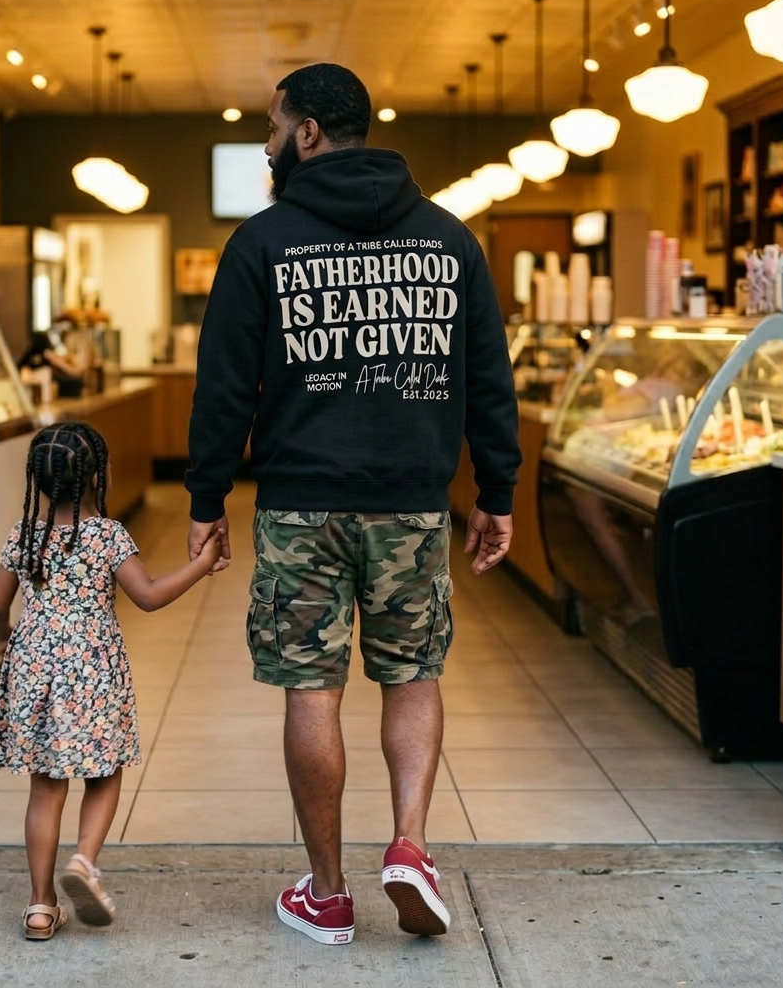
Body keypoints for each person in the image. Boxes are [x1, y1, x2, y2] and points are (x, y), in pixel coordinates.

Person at [185, 63, 521, 945]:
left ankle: (327, 893)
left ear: (306, 134)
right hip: (411, 502)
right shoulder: (449, 241)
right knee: (413, 676)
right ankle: (410, 846)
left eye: (271, 126)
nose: (266, 143)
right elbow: (489, 377)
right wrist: (496, 492)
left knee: (312, 688)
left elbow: (223, 387)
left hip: (300, 506)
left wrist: (206, 497)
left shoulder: (262, 243)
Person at [0, 422, 225, 940]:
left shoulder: (23, 533)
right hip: (92, 669)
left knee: (45, 788)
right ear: (100, 475)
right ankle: (84, 862)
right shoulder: (107, 535)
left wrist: (4, 638)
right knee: (105, 771)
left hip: (34, 663)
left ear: (37, 481)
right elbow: (150, 594)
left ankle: (40, 906)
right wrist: (203, 563)